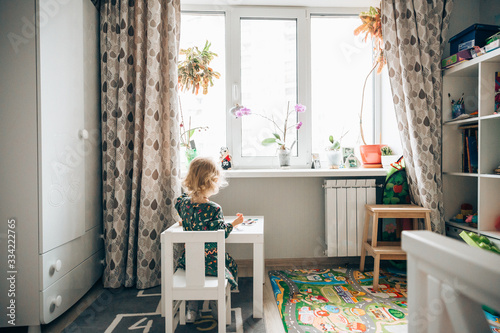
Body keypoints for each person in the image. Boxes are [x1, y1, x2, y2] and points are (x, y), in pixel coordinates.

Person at [175, 156, 244, 323]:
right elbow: (221, 231)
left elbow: (179, 204)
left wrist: (186, 220)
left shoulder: (183, 204)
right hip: (212, 262)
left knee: (194, 274)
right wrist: (234, 223)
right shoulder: (214, 209)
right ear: (212, 182)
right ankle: (216, 300)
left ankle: (193, 308)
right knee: (229, 265)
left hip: (189, 261)